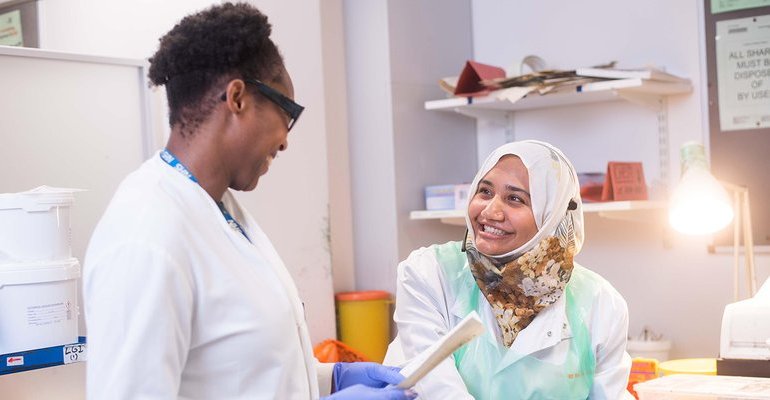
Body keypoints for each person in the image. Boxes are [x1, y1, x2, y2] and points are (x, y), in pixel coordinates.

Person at [82, 3, 413, 399]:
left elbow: (244, 368)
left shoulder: (218, 211)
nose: (286, 140)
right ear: (237, 98)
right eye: (286, 113)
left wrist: (331, 379)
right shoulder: (146, 234)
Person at [385, 140, 633, 399]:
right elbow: (436, 388)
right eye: (485, 192)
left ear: (551, 214)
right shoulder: (429, 272)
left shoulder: (600, 303)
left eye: (515, 199)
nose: (491, 211)